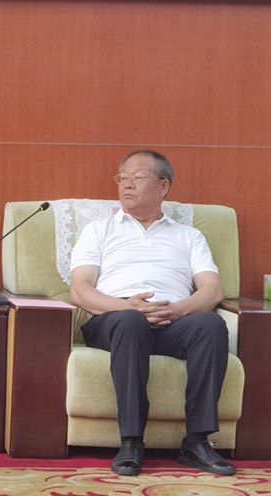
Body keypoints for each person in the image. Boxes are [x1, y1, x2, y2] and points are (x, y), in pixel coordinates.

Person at [69, 149, 236, 477]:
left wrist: (178, 309)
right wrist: (128, 306)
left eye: (137, 177)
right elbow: (80, 290)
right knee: (131, 321)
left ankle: (197, 442)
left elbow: (212, 290)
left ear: (163, 186)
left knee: (211, 324)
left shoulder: (188, 236)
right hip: (114, 319)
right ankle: (131, 441)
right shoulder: (99, 230)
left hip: (173, 320)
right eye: (122, 178)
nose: (126, 185)